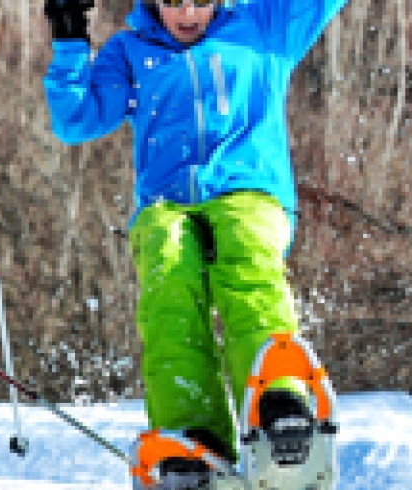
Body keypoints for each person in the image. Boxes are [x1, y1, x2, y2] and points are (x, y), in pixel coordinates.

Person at [42, 0, 346, 485]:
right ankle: (193, 434)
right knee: (168, 278)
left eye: (200, 0)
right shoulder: (131, 51)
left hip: (250, 191)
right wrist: (70, 39)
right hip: (168, 202)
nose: (186, 12)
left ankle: (279, 398)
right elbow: (77, 119)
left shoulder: (265, 28)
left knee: (244, 258)